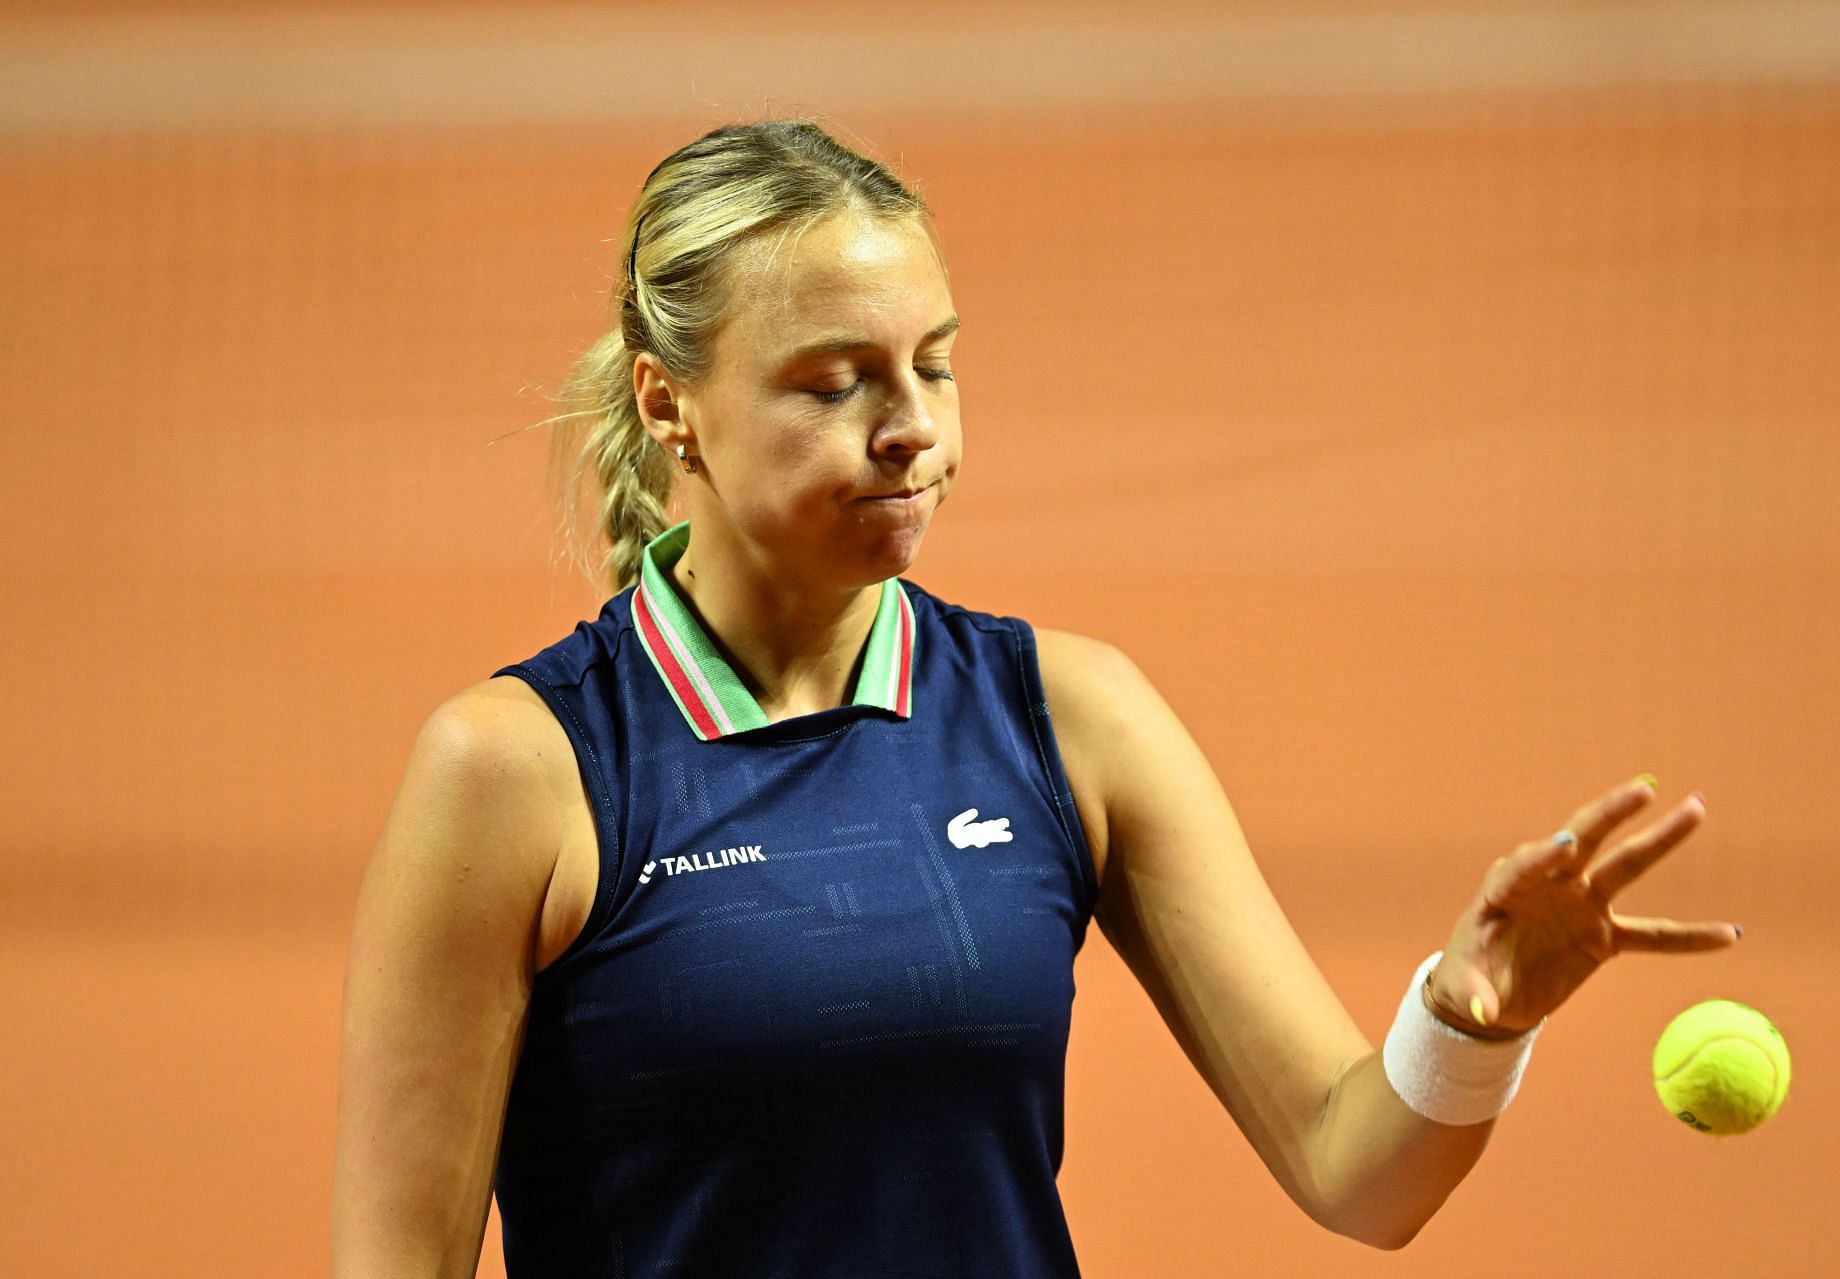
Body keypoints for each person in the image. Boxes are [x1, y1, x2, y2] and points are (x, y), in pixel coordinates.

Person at [331, 118, 1739, 1278]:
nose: (913, 431)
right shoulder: (521, 774)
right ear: (666, 402)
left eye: (934, 364)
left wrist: (1473, 1019)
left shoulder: (1072, 717)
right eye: (833, 384)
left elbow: (1355, 1169)